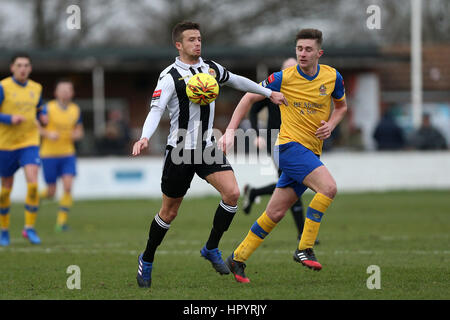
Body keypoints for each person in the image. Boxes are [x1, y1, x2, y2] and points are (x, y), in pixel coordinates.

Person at [131, 21, 287, 288]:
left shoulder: (211, 68)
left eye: (199, 38)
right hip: (179, 149)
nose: (197, 43)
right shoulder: (169, 76)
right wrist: (145, 136)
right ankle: (147, 258)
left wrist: (268, 92)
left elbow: (238, 81)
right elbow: (155, 109)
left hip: (207, 147)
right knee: (169, 213)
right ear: (178, 45)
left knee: (233, 193)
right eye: (191, 39)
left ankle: (211, 247)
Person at [219, 28, 347, 283]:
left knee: (275, 212)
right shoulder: (282, 78)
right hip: (288, 147)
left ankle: (238, 258)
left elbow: (342, 107)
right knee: (328, 188)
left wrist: (331, 125)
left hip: (310, 151)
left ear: (319, 53)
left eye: (308, 49)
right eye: (299, 48)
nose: (302, 53)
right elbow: (247, 98)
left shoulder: (333, 77)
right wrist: (230, 131)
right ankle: (304, 247)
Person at [243, 57, 315, 243]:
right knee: (292, 181)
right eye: (288, 68)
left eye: (295, 68)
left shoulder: (302, 90)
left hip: (296, 140)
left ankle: (255, 193)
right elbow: (252, 109)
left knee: (290, 182)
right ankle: (303, 234)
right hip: (276, 139)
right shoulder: (272, 89)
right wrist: (257, 134)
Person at [0, 53, 47, 246]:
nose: (23, 68)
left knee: (33, 183)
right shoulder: (3, 87)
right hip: (6, 144)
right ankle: (4, 230)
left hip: (29, 141)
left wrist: (43, 115)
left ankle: (29, 228)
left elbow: (40, 107)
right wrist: (9, 119)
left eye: (26, 65)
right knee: (5, 191)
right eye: (19, 65)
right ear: (12, 68)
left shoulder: (36, 88)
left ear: (30, 68)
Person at [39, 79, 84, 232]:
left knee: (67, 186)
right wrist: (47, 133)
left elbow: (80, 131)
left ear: (72, 93)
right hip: (49, 154)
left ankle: (61, 223)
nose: (65, 92)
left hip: (67, 154)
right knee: (51, 192)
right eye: (62, 90)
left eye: (68, 89)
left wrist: (76, 135)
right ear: (56, 93)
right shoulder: (47, 109)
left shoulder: (75, 110)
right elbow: (37, 128)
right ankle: (35, 198)